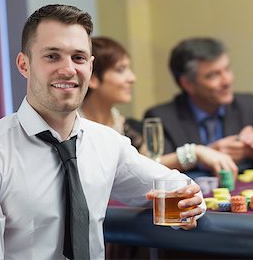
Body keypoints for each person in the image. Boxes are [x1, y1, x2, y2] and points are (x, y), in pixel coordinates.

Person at [0, 4, 205, 259]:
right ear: (24, 65)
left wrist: (188, 207)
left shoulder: (107, 144)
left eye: (79, 58)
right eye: (52, 56)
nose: (68, 69)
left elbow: (178, 188)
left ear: (90, 67)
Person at [80, 36, 238, 178]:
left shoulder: (130, 128)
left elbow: (149, 167)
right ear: (92, 78)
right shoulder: (71, 128)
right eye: (121, 70)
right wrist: (195, 153)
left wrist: (197, 152)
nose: (132, 78)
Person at [145, 37, 253, 178]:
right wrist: (203, 156)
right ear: (187, 84)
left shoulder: (247, 104)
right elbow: (153, 168)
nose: (227, 80)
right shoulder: (162, 117)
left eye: (227, 69)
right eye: (213, 75)